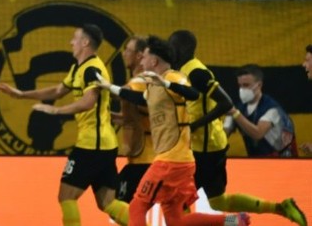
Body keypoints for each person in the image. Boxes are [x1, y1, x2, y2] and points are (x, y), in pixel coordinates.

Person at [95, 36, 251, 226]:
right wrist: (109, 86)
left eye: (144, 56)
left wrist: (166, 84)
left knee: (137, 206)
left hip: (170, 161)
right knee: (176, 221)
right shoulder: (153, 84)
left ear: (154, 60)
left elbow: (192, 94)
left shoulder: (173, 77)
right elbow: (140, 98)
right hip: (179, 162)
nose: (141, 61)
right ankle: (234, 221)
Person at [169, 30, 306, 225]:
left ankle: (232, 222)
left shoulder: (196, 73)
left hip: (204, 150)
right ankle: (279, 207)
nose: (170, 51)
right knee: (217, 201)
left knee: (177, 206)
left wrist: (193, 126)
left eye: (172, 46)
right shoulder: (184, 71)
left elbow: (225, 103)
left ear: (181, 49)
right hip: (208, 147)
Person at [0, 24, 128, 226]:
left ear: (85, 42)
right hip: (104, 144)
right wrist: (22, 94)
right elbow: (57, 91)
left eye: (75, 38)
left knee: (66, 197)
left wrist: (56, 111)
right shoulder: (79, 67)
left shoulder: (92, 70)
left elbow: (88, 102)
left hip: (91, 145)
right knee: (107, 203)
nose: (71, 42)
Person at [113, 35, 154, 203]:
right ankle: (231, 221)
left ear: (138, 56)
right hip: (149, 159)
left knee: (119, 206)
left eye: (127, 50)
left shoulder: (142, 80)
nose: (124, 54)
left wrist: (95, 87)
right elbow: (133, 119)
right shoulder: (140, 80)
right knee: (178, 217)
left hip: (146, 160)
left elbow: (122, 93)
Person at [225, 65, 297, 157]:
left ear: (259, 85)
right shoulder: (238, 108)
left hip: (282, 160)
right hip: (258, 160)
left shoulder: (272, 109)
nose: (242, 89)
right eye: (240, 86)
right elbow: (223, 135)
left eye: (246, 85)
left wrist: (235, 113)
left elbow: (258, 133)